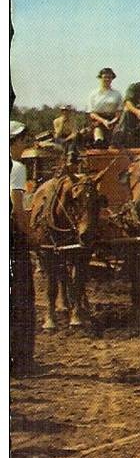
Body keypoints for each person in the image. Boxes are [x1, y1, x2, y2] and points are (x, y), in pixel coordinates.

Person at [10, 121, 35, 377]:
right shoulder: (16, 168)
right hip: (12, 239)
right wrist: (31, 235)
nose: (25, 145)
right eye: (23, 141)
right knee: (20, 297)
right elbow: (18, 211)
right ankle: (20, 360)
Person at [86, 67, 122, 147]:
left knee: (119, 131)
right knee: (97, 130)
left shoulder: (117, 94)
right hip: (98, 119)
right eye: (105, 77)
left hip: (113, 120)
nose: (107, 79)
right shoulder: (93, 94)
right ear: (100, 78)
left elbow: (119, 112)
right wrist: (103, 121)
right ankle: (99, 142)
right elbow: (92, 113)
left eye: (109, 77)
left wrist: (112, 121)